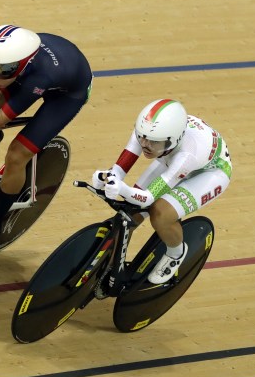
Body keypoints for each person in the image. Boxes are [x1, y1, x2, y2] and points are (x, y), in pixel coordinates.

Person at [0, 24, 92, 256]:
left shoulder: (39, 77)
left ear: (22, 65)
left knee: (16, 155)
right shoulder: (1, 62)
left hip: (67, 94)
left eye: (1, 71)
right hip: (27, 73)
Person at [92, 99, 232, 284]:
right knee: (128, 216)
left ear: (172, 140)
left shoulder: (188, 153)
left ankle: (176, 253)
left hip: (209, 174)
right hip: (169, 159)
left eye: (153, 143)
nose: (145, 145)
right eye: (141, 138)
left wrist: (123, 189)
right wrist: (108, 176)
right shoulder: (148, 132)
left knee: (160, 214)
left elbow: (148, 198)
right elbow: (120, 167)